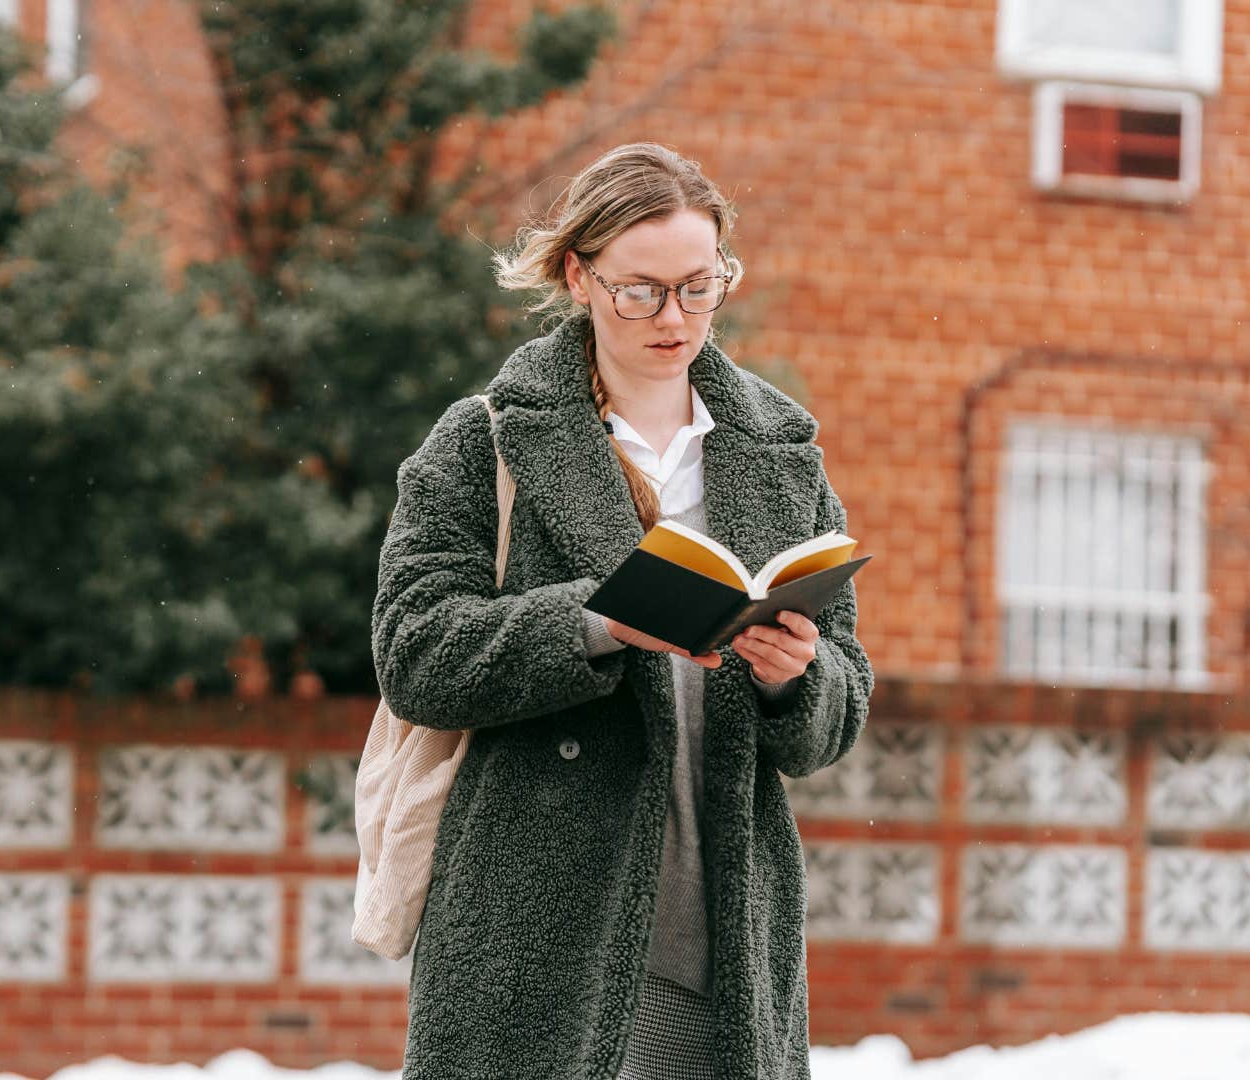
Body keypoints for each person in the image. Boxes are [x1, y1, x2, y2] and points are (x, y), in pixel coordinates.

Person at [369, 141, 873, 1079]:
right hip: (534, 930)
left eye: (700, 286)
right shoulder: (485, 439)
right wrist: (597, 624)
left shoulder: (781, 452)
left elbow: (841, 705)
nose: (675, 318)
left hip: (725, 928)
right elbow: (414, 653)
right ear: (580, 277)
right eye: (641, 290)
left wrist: (798, 679)